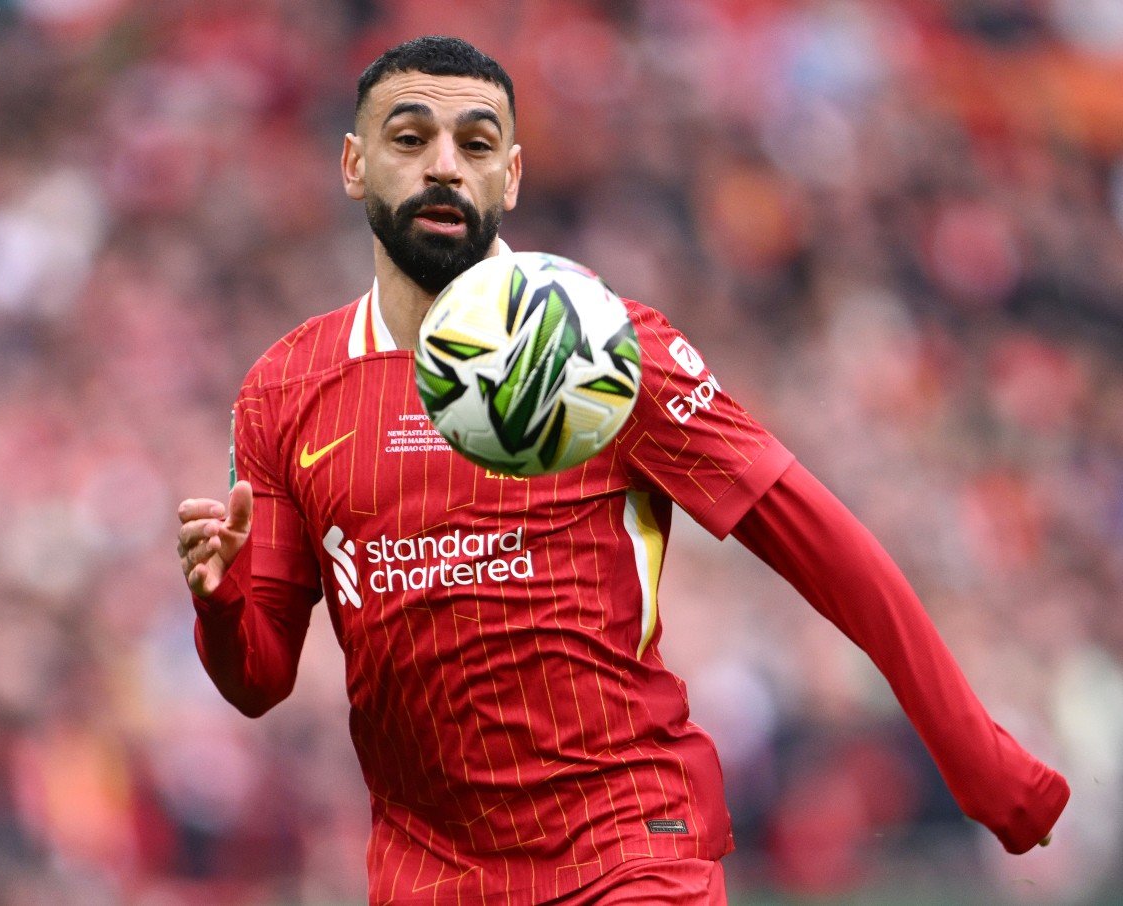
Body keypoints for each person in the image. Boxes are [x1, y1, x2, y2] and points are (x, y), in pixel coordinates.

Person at [176, 36, 1068, 905]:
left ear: (512, 175)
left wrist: (980, 759)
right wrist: (219, 603)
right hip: (427, 876)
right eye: (409, 139)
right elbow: (261, 679)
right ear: (354, 163)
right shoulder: (285, 388)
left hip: (630, 854)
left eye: (476, 144)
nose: (444, 165)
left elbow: (828, 551)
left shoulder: (607, 349)